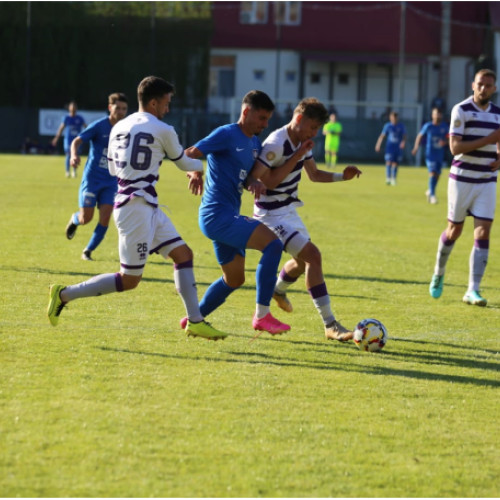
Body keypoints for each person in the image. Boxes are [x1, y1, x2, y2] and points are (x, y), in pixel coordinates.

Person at [48, 76, 227, 341]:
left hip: (143, 204)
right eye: (166, 103)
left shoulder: (119, 126)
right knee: (129, 280)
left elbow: (111, 169)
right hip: (136, 209)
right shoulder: (163, 128)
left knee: (184, 254)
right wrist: (197, 170)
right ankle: (64, 294)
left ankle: (195, 321)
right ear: (153, 103)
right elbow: (184, 162)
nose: (168, 109)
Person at [250, 97, 362, 341]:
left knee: (301, 263)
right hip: (269, 213)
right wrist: (297, 154)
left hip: (288, 210)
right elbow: (264, 181)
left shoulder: (302, 143)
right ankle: (330, 324)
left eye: (317, 130)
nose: (314, 133)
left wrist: (342, 176)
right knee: (313, 256)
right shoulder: (276, 143)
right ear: (299, 119)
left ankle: (277, 291)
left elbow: (314, 174)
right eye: (312, 127)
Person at [182, 90, 291, 337]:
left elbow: (246, 175)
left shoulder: (253, 143)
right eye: (262, 118)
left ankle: (193, 319)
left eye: (267, 120)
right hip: (217, 216)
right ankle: (262, 316)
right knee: (273, 245)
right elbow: (189, 153)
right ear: (246, 112)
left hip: (225, 215)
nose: (265, 125)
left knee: (234, 278)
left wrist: (254, 183)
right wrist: (195, 171)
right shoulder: (226, 134)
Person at [429, 68, 500, 307]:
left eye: (488, 85)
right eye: (480, 84)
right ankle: (439, 273)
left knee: (483, 232)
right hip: (461, 179)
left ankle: (473, 290)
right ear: (473, 85)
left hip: (487, 180)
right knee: (454, 231)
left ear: (494, 88)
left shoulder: (498, 114)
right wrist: (489, 140)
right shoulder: (461, 110)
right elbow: (455, 148)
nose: (483, 88)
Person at [65, 92, 129, 261]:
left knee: (106, 217)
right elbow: (77, 141)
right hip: (92, 179)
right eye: (118, 108)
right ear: (110, 108)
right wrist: (73, 155)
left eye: (124, 109)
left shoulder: (128, 129)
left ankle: (88, 250)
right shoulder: (100, 126)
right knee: (86, 218)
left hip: (111, 182)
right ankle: (75, 219)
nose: (121, 112)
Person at [411, 107, 449, 204]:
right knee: (432, 173)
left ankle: (430, 191)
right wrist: (416, 147)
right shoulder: (428, 126)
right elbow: (420, 136)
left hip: (440, 155)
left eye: (439, 114)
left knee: (437, 175)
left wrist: (445, 141)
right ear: (432, 115)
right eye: (436, 114)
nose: (437, 116)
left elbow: (450, 138)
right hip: (430, 154)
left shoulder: (445, 127)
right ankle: (432, 195)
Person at [51, 101, 86, 178]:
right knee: (68, 154)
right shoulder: (66, 118)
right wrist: (56, 138)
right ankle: (67, 171)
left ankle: (74, 171)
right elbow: (61, 128)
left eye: (74, 106)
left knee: (75, 155)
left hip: (77, 140)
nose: (73, 108)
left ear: (76, 108)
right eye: (71, 106)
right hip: (68, 140)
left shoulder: (80, 118)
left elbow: (86, 127)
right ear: (69, 108)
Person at [375, 111, 406, 185]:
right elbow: (382, 136)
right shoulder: (388, 126)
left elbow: (404, 136)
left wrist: (403, 142)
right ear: (390, 118)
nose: (394, 119)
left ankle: (394, 179)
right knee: (388, 162)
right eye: (393, 117)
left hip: (398, 148)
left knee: (396, 163)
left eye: (396, 117)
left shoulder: (401, 126)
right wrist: (378, 145)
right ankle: (388, 178)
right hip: (390, 147)